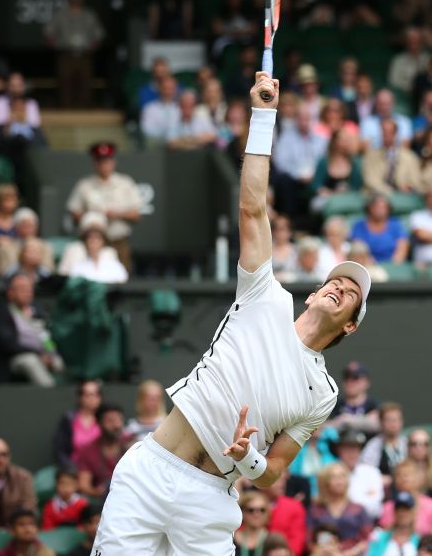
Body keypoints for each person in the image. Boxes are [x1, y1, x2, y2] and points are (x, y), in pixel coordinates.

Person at [93, 72, 373, 552]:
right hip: (150, 472)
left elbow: (274, 472)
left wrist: (249, 460)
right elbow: (252, 208)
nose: (339, 286)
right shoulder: (266, 295)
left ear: (349, 324)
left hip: (211, 497)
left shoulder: (323, 394)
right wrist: (263, 116)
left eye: (351, 292)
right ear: (312, 294)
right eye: (335, 280)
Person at [65, 141, 144, 271]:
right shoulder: (84, 185)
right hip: (90, 243)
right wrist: (91, 217)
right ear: (94, 163)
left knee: (121, 279)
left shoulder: (125, 183)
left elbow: (137, 215)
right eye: (100, 161)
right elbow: (74, 213)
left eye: (107, 161)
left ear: (113, 162)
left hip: (118, 241)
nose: (104, 165)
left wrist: (117, 214)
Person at [0, 273, 62, 385]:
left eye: (30, 289)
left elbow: (46, 338)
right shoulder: (3, 313)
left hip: (42, 355)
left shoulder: (37, 312)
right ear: (11, 293)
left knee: (59, 361)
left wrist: (50, 353)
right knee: (31, 361)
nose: (28, 292)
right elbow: (8, 344)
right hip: (16, 358)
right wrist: (38, 354)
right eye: (23, 289)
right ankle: (50, 392)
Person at [43, 0, 104, 107]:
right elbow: (48, 34)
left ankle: (85, 117)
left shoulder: (89, 15)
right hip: (66, 55)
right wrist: (57, 46)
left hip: (84, 56)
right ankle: (65, 116)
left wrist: (91, 47)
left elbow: (99, 35)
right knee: (65, 88)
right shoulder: (60, 14)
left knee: (85, 87)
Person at [307, 462, 373, 556]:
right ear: (325, 482)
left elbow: (368, 539)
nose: (339, 481)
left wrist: (349, 553)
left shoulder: (358, 509)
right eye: (334, 477)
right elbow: (309, 540)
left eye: (342, 477)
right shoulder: (316, 510)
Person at [73, 403, 130, 498]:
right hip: (101, 501)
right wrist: (97, 493)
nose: (116, 425)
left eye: (119, 420)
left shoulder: (131, 446)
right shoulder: (88, 450)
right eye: (110, 421)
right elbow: (84, 485)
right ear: (99, 423)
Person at [378, 459, 432, 536]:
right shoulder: (388, 507)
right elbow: (384, 537)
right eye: (398, 475)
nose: (402, 479)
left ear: (419, 478)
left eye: (406, 475)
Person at [63, 212, 129, 284]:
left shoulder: (114, 264)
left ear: (103, 241)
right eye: (90, 238)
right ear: (85, 242)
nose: (93, 242)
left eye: (97, 238)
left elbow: (122, 281)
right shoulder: (77, 266)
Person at [334, 430, 384, 520]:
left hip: (368, 524)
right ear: (339, 451)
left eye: (355, 449)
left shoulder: (372, 472)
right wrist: (365, 498)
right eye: (347, 449)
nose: (351, 453)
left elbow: (375, 509)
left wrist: (349, 503)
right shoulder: (332, 473)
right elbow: (334, 507)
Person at [52, 379, 102, 469]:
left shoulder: (105, 420)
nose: (92, 398)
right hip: (73, 471)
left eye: (96, 394)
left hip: (98, 472)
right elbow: (60, 450)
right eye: (88, 395)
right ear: (80, 397)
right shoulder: (69, 419)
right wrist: (71, 470)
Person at [0, 438, 36, 529]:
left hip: (13, 531)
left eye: (4, 454)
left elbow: (29, 506)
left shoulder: (23, 477)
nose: (0, 460)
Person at [350, 195, 409, 266]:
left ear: (388, 209)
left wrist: (392, 266)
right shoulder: (359, 226)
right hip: (367, 265)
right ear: (369, 207)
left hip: (393, 266)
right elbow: (358, 249)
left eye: (383, 207)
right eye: (376, 207)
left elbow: (402, 248)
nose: (379, 210)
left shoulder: (396, 225)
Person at [361, 402, 407, 487]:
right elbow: (366, 472)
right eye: (389, 420)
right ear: (381, 422)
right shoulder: (373, 446)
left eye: (397, 420)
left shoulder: (408, 444)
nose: (393, 424)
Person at [369, 491, 422, 556]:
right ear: (394, 512)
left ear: (413, 512)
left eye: (406, 509)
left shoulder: (420, 541)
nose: (402, 513)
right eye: (398, 509)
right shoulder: (379, 537)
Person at [406, 430, 432, 501]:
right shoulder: (399, 473)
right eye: (414, 444)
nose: (419, 448)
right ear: (408, 447)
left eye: (425, 444)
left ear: (430, 447)